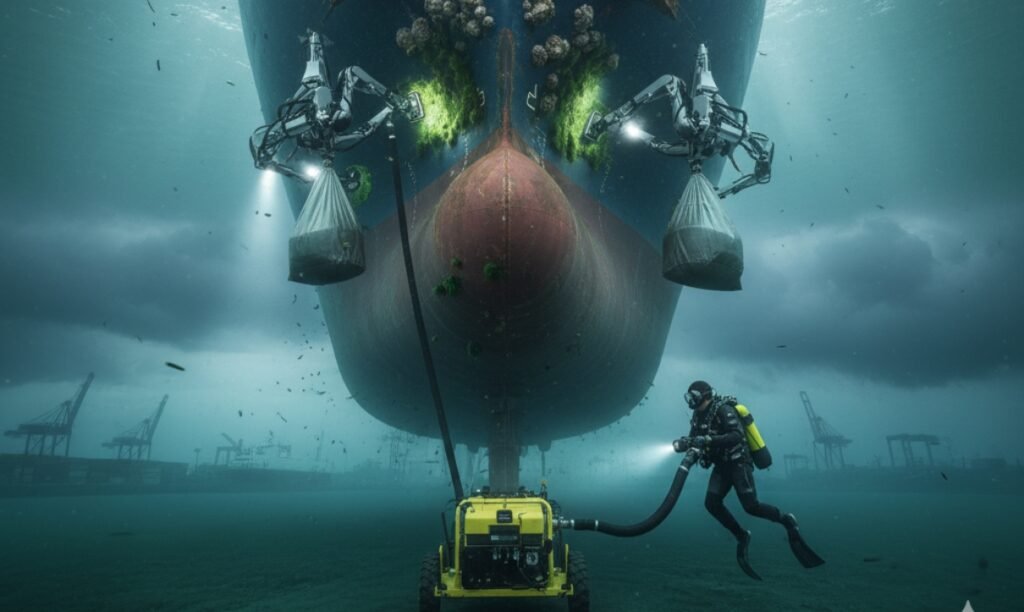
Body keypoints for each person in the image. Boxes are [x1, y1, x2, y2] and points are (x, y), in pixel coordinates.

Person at [673, 380, 824, 580]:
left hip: (738, 464)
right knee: (711, 503)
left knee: (751, 507)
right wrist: (687, 443)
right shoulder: (698, 415)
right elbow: (696, 437)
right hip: (721, 466)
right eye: (689, 397)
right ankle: (741, 535)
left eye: (694, 396)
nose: (691, 401)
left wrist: (709, 440)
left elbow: (736, 435)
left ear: (705, 395)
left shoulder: (724, 409)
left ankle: (786, 519)